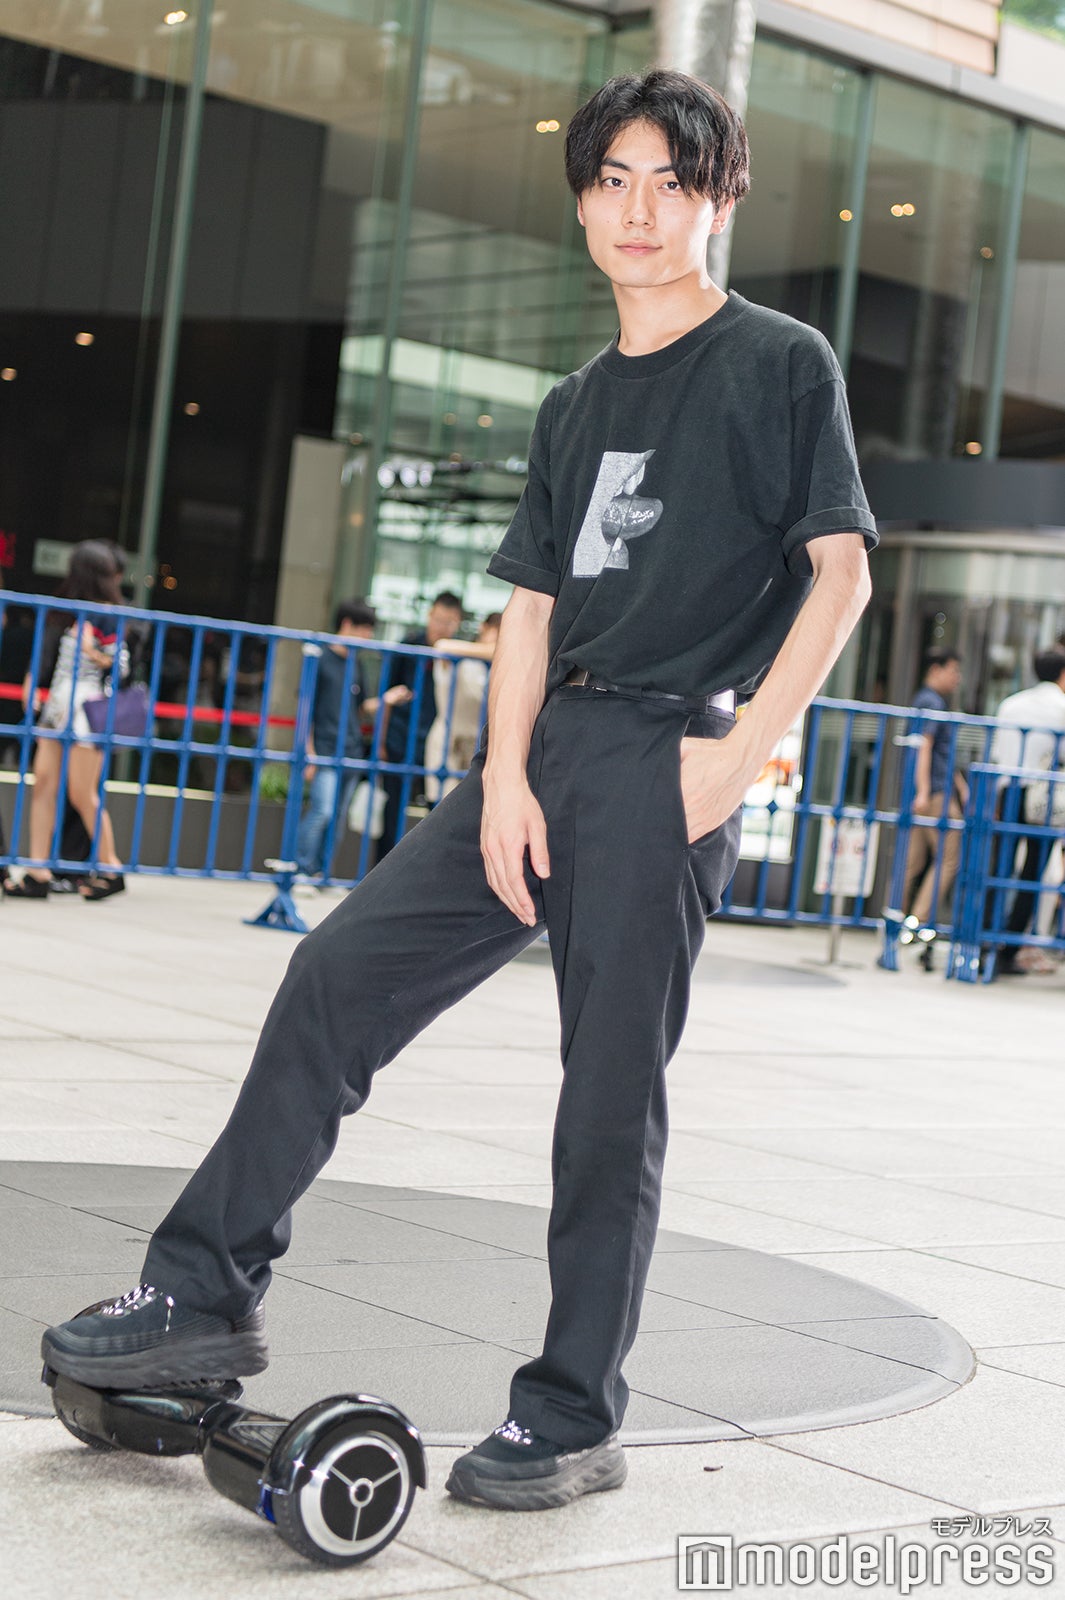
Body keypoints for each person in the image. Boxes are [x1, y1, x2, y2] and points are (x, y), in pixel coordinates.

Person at [41, 71, 876, 1511]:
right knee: (334, 976)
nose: (639, 208)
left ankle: (570, 1413)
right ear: (582, 200)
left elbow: (842, 574)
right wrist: (499, 778)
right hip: (543, 753)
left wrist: (737, 758)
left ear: (719, 200)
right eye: (613, 179)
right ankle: (201, 1293)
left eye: (672, 181)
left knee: (605, 1100)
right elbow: (530, 609)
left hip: (666, 759)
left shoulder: (779, 361)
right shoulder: (574, 403)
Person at [3, 540, 128, 901]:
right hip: (59, 705)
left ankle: (111, 867)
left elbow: (121, 666)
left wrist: (92, 649)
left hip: (88, 707)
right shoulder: (65, 611)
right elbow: (48, 655)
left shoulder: (109, 614)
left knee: (81, 792)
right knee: (44, 783)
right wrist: (32, 681)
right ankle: (38, 870)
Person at [294, 599, 410, 885]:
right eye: (365, 629)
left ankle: (321, 873)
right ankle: (301, 870)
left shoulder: (356, 663)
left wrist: (387, 700)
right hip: (324, 749)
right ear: (347, 624)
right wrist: (308, 752)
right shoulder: (321, 658)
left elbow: (361, 707)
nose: (368, 636)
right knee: (322, 811)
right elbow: (305, 709)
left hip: (352, 750)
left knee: (338, 818)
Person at [986, 646, 1065, 975]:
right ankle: (1010, 949)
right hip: (1043, 796)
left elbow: (996, 753)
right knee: (1033, 872)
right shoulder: (1061, 707)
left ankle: (984, 942)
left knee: (999, 868)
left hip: (1009, 791)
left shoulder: (1011, 704)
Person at [376, 590, 464, 855]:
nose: (441, 627)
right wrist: (381, 742)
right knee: (393, 807)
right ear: (429, 615)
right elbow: (386, 694)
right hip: (401, 737)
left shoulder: (460, 654)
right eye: (438, 619)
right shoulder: (409, 646)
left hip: (438, 741)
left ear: (458, 622)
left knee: (439, 809)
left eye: (448, 622)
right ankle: (382, 867)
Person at [902, 647, 966, 929]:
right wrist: (924, 791)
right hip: (935, 792)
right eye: (953, 670)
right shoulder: (932, 702)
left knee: (913, 861)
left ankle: (895, 919)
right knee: (949, 857)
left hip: (929, 789)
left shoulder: (924, 699)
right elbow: (924, 747)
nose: (957, 677)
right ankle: (917, 921)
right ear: (935, 670)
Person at [423, 612, 501, 803]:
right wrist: (498, 651)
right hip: (448, 744)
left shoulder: (499, 667)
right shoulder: (461, 656)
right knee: (442, 806)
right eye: (498, 631)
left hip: (478, 749)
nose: (500, 639)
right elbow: (442, 646)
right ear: (484, 628)